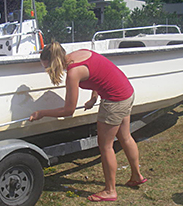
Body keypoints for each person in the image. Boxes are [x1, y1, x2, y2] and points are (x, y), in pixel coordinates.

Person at [29, 41, 147, 202]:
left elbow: (68, 111)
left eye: (47, 68)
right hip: (126, 91)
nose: (47, 71)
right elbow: (99, 72)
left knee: (105, 146)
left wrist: (41, 113)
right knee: (125, 137)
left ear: (54, 63)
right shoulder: (80, 54)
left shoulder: (73, 73)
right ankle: (136, 175)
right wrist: (94, 97)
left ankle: (110, 191)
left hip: (115, 100)